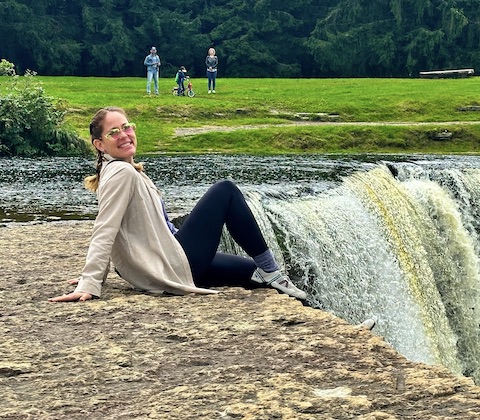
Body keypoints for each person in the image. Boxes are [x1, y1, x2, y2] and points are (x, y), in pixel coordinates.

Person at [49, 107, 306, 303]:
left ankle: (270, 276)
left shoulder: (125, 170)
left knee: (252, 272)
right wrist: (90, 281)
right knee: (224, 190)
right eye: (114, 132)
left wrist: (95, 277)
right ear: (99, 144)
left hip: (169, 258)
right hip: (170, 262)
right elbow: (106, 227)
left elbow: (116, 228)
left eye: (127, 127)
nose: (124, 135)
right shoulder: (121, 173)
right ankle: (273, 270)